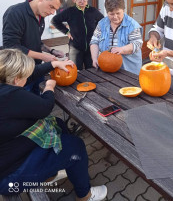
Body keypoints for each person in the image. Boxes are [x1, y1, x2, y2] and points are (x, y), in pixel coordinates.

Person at [0, 49, 107, 201]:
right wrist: (49, 87)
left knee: (59, 124)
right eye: (24, 77)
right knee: (76, 146)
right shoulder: (10, 95)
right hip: (9, 176)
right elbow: (44, 107)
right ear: (16, 79)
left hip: (9, 153)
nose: (27, 79)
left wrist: (54, 64)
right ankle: (85, 195)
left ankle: (50, 174)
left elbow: (31, 74)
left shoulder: (4, 85)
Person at [3, 0, 65, 94]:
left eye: (55, 9)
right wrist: (44, 56)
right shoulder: (15, 13)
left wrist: (51, 51)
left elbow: (36, 42)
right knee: (25, 108)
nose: (52, 12)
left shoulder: (41, 17)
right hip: (21, 75)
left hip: (36, 70)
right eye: (51, 7)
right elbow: (11, 47)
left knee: (37, 103)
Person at [51, 0, 104, 70]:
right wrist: (66, 32)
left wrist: (97, 32)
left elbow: (102, 21)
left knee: (92, 71)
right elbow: (54, 20)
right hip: (75, 48)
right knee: (75, 71)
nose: (82, 1)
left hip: (91, 48)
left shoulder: (93, 11)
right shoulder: (69, 11)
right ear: (74, 0)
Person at [90, 0, 143, 75]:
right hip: (107, 68)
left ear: (123, 10)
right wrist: (94, 58)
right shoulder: (102, 24)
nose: (115, 17)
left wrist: (122, 49)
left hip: (128, 71)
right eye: (111, 14)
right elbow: (94, 42)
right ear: (107, 12)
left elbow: (137, 44)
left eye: (118, 13)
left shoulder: (132, 25)